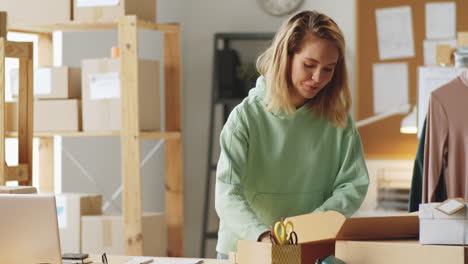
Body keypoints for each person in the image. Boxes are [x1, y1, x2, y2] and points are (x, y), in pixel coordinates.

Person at [214, 10, 369, 259]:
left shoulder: (338, 120)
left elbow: (353, 184)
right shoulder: (245, 118)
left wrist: (312, 225)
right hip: (248, 248)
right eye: (309, 65)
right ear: (286, 57)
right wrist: (262, 235)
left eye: (328, 69)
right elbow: (227, 194)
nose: (317, 78)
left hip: (311, 247)